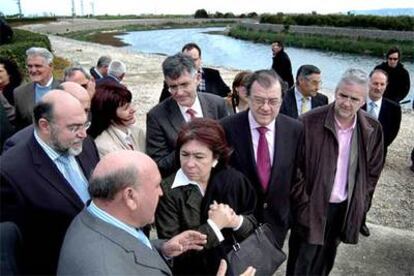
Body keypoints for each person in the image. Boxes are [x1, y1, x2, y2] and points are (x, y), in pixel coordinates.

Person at [287, 69, 384, 275]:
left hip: (342, 209)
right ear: (335, 92)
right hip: (311, 207)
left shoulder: (372, 129)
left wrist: (361, 203)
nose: (347, 103)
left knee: (324, 264)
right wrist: (302, 206)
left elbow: (373, 173)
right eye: (343, 95)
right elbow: (294, 169)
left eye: (354, 98)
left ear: (363, 100)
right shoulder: (307, 122)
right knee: (300, 265)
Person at [57, 150, 208, 275]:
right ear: (130, 196)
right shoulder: (105, 270)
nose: (161, 192)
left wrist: (163, 249)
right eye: (156, 186)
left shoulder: (94, 215)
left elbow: (124, 244)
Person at [0, 90, 100, 274]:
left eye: (85, 124)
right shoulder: (9, 172)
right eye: (73, 127)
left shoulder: (86, 145)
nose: (83, 134)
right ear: (45, 126)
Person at [156, 118, 257, 275]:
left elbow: (253, 222)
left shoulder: (233, 180)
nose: (189, 163)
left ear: (215, 158)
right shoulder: (167, 191)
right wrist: (214, 227)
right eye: (184, 154)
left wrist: (235, 221)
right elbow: (172, 249)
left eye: (199, 157)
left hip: (238, 266)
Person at [220, 69, 303, 247]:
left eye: (273, 101)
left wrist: (289, 216)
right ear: (247, 96)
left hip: (276, 225)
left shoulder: (295, 130)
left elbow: (299, 174)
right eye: (259, 100)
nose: (265, 107)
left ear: (282, 100)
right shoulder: (226, 128)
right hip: (235, 224)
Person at [146, 53, 228, 178]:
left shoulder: (217, 104)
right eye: (173, 87)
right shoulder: (156, 116)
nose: (179, 93)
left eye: (184, 84)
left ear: (197, 78)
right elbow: (159, 164)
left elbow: (227, 145)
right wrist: (189, 147)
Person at [3, 82, 91, 153]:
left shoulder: (87, 141)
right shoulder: (17, 146)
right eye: (75, 109)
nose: (82, 116)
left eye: (86, 110)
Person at [88, 81, 145, 158]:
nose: (133, 110)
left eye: (130, 104)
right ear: (109, 115)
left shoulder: (139, 132)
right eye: (126, 108)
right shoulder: (103, 146)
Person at [158, 42, 230, 102]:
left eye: (194, 60)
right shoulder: (173, 79)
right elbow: (163, 103)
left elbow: (227, 94)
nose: (191, 63)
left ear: (200, 59)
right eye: (187, 60)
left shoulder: (213, 74)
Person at [13, 47, 61, 129]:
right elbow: (19, 126)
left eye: (38, 66)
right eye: (30, 66)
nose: (33, 70)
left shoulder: (64, 88)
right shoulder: (19, 93)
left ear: (51, 66)